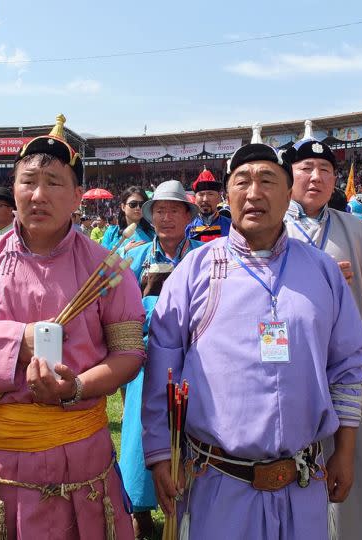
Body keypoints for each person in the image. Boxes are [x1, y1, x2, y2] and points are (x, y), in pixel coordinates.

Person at [0, 115, 145, 539]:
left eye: (54, 183)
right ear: (14, 188)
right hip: (0, 463)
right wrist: (14, 342)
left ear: (78, 195)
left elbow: (129, 354)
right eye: (28, 181)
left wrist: (74, 389)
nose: (38, 194)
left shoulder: (109, 270)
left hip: (82, 460)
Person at [143, 137, 362, 539]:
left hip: (303, 481)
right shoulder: (195, 272)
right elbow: (164, 366)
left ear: (288, 194)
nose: (254, 192)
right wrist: (161, 456)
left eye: (267, 180)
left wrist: (345, 452)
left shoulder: (323, 272)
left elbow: (347, 366)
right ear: (228, 194)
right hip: (219, 482)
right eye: (242, 181)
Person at [282, 123, 362, 540]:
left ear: (335, 179)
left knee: (348, 479)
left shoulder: (356, 232)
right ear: (289, 175)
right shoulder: (267, 227)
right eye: (306, 168)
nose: (316, 177)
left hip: (344, 376)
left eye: (325, 169)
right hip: (285, 374)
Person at [119, 180, 203, 538]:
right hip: (147, 360)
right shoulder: (136, 257)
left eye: (174, 210)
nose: (167, 217)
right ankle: (140, 509)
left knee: (190, 432)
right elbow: (122, 311)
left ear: (187, 216)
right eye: (160, 211)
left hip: (194, 360)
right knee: (140, 434)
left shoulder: (203, 255)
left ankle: (190, 501)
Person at [186, 167, 231, 242]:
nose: (205, 199)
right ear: (195, 199)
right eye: (201, 194)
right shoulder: (187, 227)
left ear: (219, 198)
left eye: (210, 194)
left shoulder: (231, 226)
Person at [102, 186, 154, 250]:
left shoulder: (152, 233)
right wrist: (124, 250)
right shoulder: (111, 232)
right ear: (123, 207)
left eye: (141, 204)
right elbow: (102, 257)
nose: (138, 208)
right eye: (133, 204)